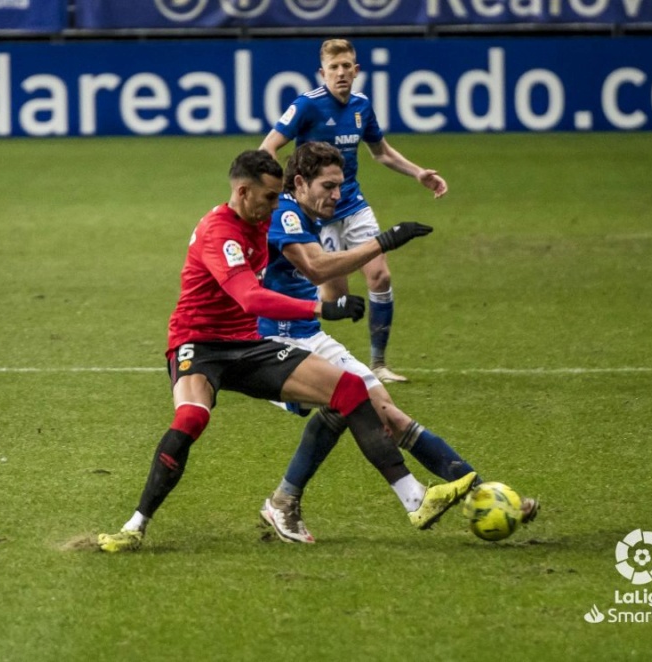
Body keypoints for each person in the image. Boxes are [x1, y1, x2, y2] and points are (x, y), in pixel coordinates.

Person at [97, 149, 476, 553]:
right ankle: (135, 525)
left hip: (248, 346)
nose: (276, 205)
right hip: (199, 345)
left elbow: (311, 264)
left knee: (349, 390)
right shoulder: (220, 232)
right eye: (269, 197)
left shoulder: (261, 221)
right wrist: (321, 307)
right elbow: (250, 298)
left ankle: (415, 499)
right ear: (243, 192)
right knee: (191, 418)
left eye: (280, 197)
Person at [257, 141, 539, 544]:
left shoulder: (309, 212)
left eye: (340, 186)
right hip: (272, 345)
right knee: (361, 404)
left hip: (308, 336)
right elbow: (316, 266)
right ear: (300, 183)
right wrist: (384, 242)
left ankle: (284, 500)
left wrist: (332, 300)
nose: (338, 195)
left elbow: (317, 277)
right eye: (329, 186)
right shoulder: (284, 214)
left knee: (381, 408)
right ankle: (464, 495)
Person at [259, 38, 448, 385]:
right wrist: (281, 195)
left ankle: (378, 363)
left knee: (381, 277)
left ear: (356, 70)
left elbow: (382, 153)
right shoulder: (307, 105)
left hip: (354, 205)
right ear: (322, 73)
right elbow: (268, 146)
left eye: (347, 66)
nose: (341, 73)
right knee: (335, 296)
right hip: (320, 213)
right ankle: (287, 334)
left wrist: (419, 172)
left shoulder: (361, 106)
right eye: (334, 68)